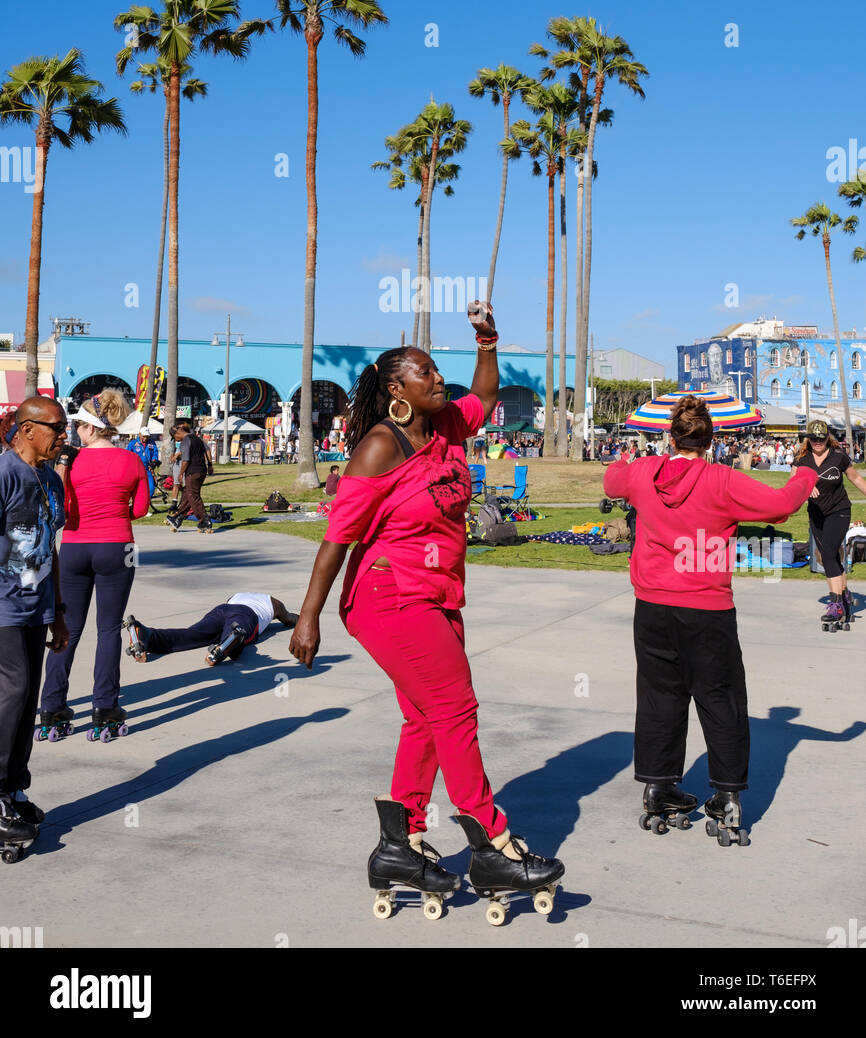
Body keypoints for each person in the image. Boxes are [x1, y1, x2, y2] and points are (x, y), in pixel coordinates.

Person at [289, 303, 564, 913]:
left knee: (425, 718)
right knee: (455, 707)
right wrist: (309, 615)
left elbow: (487, 397)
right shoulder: (378, 449)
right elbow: (338, 537)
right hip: (387, 595)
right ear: (397, 390)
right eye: (427, 374)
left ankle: (400, 843)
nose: (440, 380)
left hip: (438, 594)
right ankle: (491, 841)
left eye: (439, 371)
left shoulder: (445, 427)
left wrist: (487, 340)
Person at [603, 394, 815, 843]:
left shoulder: (644, 473)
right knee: (720, 700)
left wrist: (634, 456)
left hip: (654, 605)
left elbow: (611, 482)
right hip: (706, 606)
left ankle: (660, 787)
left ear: (670, 434)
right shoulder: (722, 479)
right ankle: (728, 796)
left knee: (660, 694)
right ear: (711, 438)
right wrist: (805, 473)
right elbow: (780, 507)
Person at [39, 390, 150, 740]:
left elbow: (62, 508)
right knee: (108, 629)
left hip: (74, 546)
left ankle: (52, 706)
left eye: (77, 425)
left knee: (66, 628)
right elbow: (141, 509)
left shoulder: (71, 462)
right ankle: (104, 706)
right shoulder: (132, 461)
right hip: (118, 546)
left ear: (88, 428)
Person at [0, 397, 69, 850]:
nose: (63, 437)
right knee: (14, 692)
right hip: (2, 609)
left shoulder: (50, 479)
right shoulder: (4, 474)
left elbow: (51, 548)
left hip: (35, 607)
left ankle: (13, 789)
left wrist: (58, 613)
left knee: (27, 704)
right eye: (55, 429)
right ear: (26, 429)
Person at [793, 419, 866, 630]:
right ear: (808, 439)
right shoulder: (802, 459)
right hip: (816, 514)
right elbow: (792, 483)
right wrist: (805, 488)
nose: (817, 442)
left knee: (828, 552)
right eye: (813, 438)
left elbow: (857, 480)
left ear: (827, 437)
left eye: (821, 438)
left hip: (839, 511)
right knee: (829, 556)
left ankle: (835, 604)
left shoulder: (838, 456)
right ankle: (844, 595)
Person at [123, 593, 298, 666]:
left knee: (192, 634)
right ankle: (228, 643)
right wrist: (303, 619)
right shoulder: (273, 603)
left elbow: (229, 608)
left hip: (222, 609)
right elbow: (289, 619)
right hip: (246, 615)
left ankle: (147, 634)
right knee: (239, 631)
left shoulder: (238, 595)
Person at [165, 421, 214, 534]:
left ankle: (204, 520)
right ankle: (178, 518)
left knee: (193, 496)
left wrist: (181, 473)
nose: (176, 440)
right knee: (188, 494)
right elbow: (206, 451)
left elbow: (185, 460)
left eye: (175, 437)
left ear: (177, 433)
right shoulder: (197, 438)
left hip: (192, 471)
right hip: (201, 470)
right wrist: (210, 465)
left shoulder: (185, 441)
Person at [126, 425, 160, 505]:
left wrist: (154, 461)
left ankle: (143, 504)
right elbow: (127, 454)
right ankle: (136, 503)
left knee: (151, 488)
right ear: (140, 434)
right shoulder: (133, 443)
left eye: (147, 436)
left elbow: (155, 452)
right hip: (135, 469)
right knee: (134, 487)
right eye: (144, 436)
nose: (145, 438)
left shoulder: (152, 442)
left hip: (147, 469)